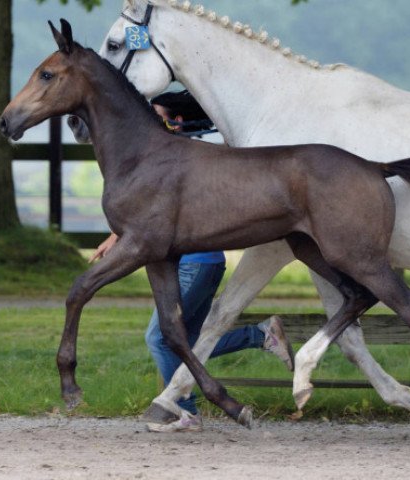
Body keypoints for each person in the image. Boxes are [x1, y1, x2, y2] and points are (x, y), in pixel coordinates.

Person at [90, 90, 294, 432]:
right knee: (193, 336)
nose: (149, 124)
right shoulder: (169, 162)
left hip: (196, 263)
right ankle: (261, 336)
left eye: (156, 117)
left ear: (177, 122)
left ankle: (184, 410)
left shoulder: (183, 159)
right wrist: (116, 236)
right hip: (202, 263)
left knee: (159, 337)